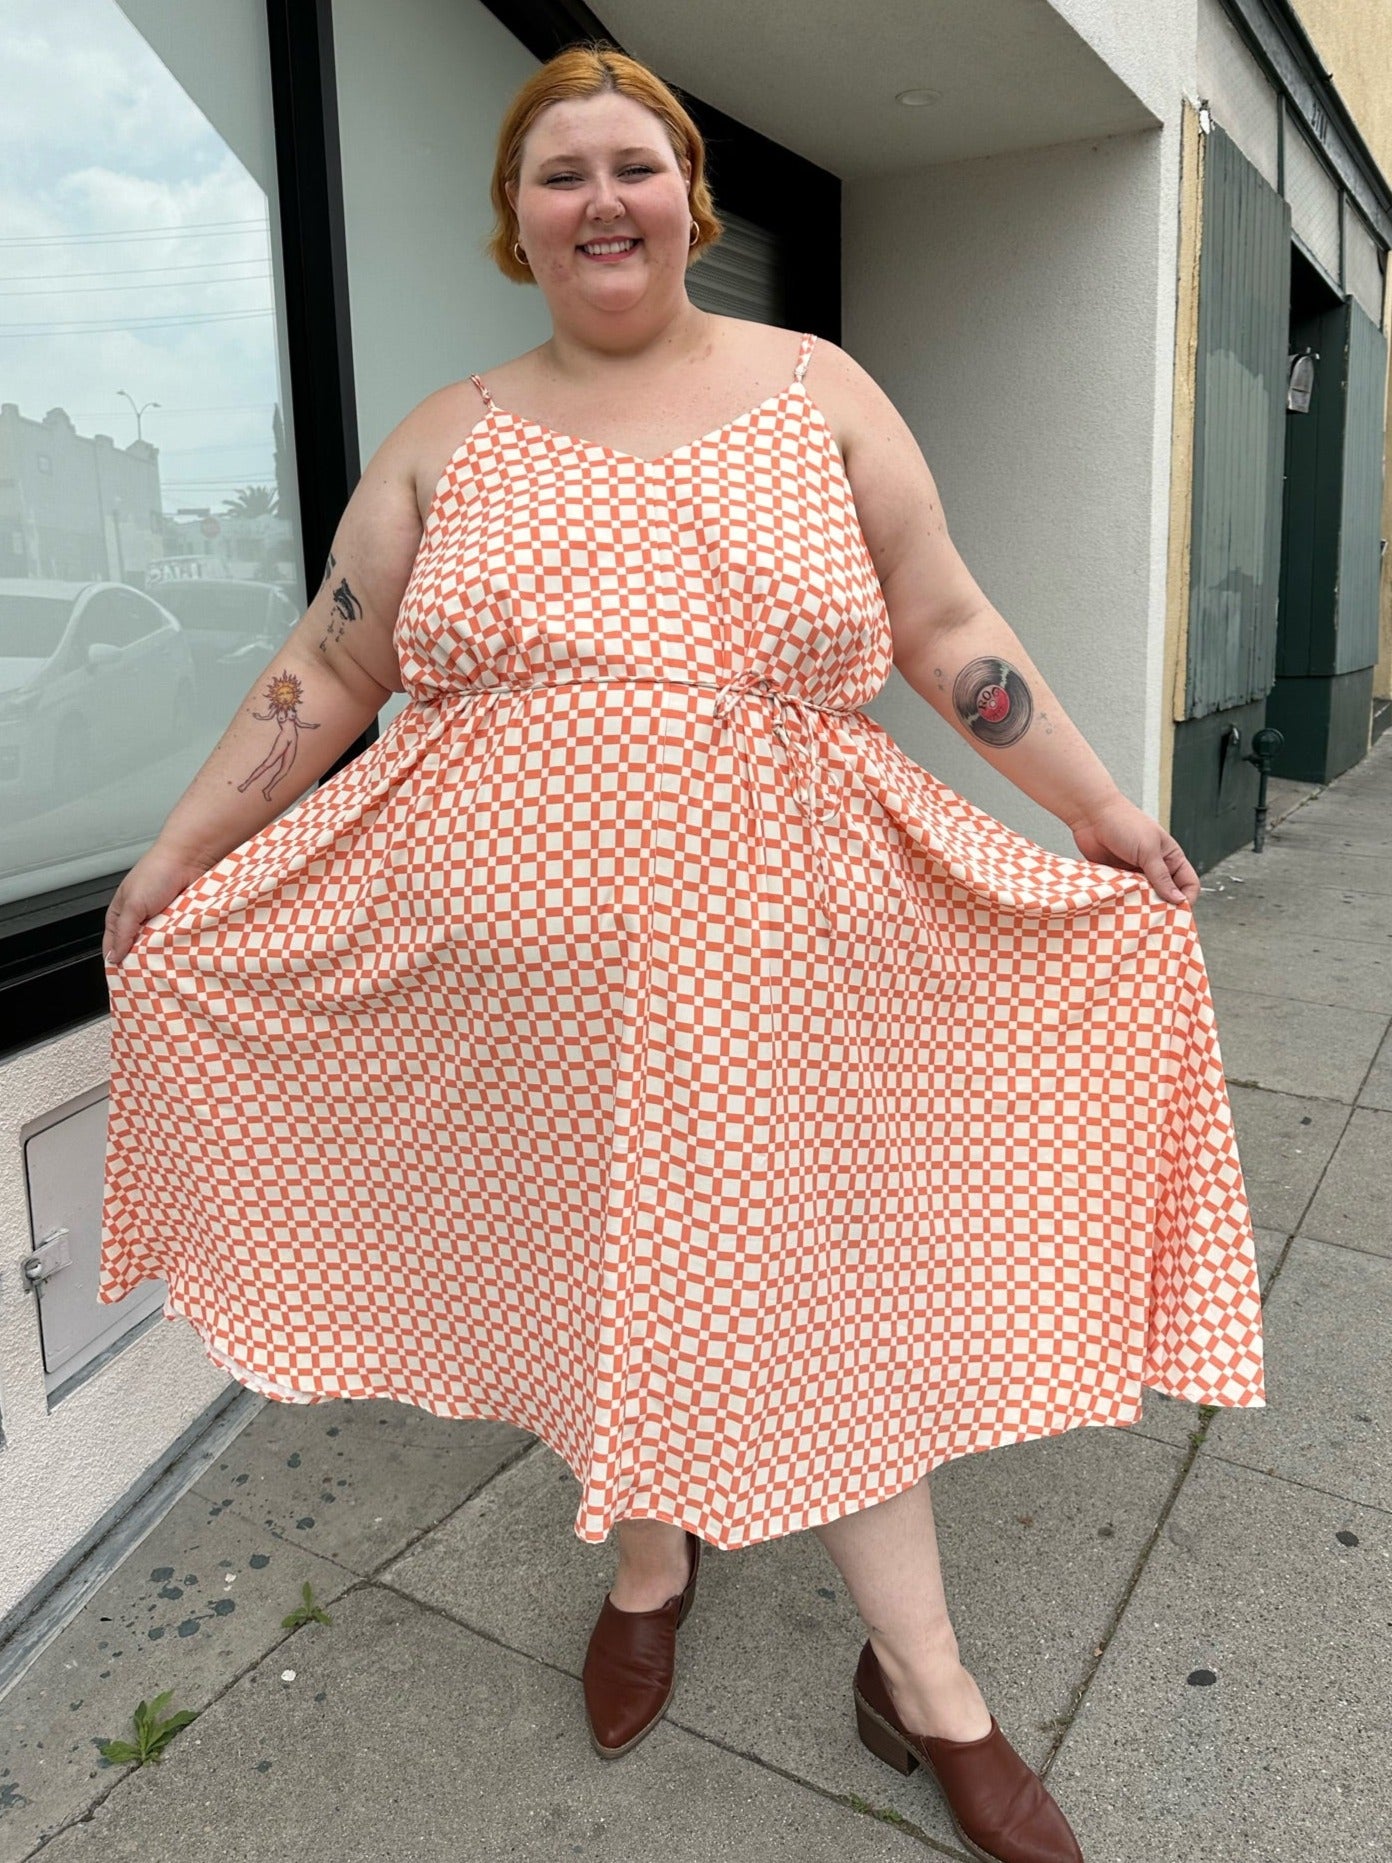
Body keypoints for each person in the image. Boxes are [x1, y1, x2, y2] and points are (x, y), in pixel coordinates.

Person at [100, 42, 1266, 1863]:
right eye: (558, 174)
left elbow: (946, 621)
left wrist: (1099, 807)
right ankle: (652, 1557)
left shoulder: (819, 391)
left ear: (691, 201)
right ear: (515, 222)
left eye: (632, 165)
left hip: (791, 974)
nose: (600, 200)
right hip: (523, 1007)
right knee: (592, 1276)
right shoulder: (448, 435)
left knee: (822, 1307)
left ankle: (926, 1683)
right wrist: (177, 856)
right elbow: (328, 666)